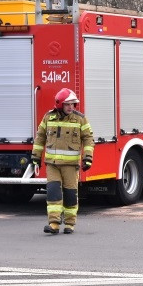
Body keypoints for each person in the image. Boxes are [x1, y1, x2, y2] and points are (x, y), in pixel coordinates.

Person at [33, 88, 94, 235]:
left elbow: (88, 139)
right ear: (60, 104)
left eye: (73, 104)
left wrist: (87, 158)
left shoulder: (80, 119)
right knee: (53, 193)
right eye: (68, 104)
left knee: (70, 194)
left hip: (71, 166)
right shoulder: (48, 117)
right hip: (52, 164)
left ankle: (70, 223)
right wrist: (35, 158)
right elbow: (40, 137)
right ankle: (54, 224)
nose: (71, 107)